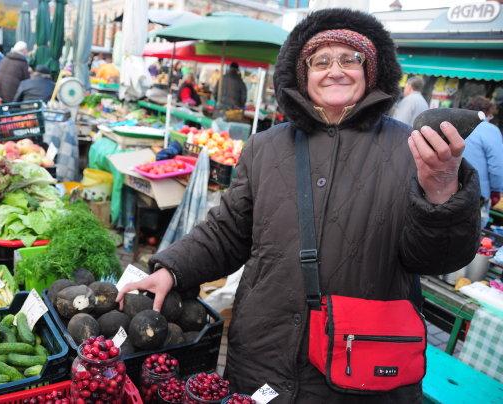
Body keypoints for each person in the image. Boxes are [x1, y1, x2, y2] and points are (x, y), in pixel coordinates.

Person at [116, 8, 480, 403]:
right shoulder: (266, 148)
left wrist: (442, 192)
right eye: (320, 61)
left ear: (371, 70)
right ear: (302, 74)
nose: (335, 70)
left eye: (350, 59)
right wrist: (172, 268)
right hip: (263, 357)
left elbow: (436, 258)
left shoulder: (409, 149)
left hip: (361, 368)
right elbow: (227, 231)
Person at [462, 95, 503, 228]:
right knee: (473, 231)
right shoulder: (491, 130)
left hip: (452, 187)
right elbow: (497, 165)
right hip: (477, 192)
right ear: (487, 113)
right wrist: (496, 190)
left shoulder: (457, 124)